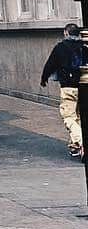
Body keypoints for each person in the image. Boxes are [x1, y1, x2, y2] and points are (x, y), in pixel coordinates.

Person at [40, 23, 85, 160]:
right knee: (78, 117)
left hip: (68, 87)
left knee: (69, 117)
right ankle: (74, 147)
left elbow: (50, 64)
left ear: (66, 33)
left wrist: (44, 78)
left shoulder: (60, 48)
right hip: (82, 86)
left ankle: (82, 142)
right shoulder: (84, 47)